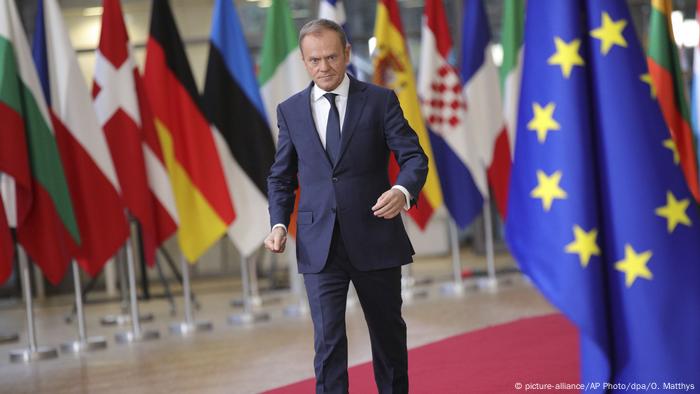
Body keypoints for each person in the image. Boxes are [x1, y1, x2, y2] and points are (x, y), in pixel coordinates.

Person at [265, 18, 428, 394]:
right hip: (319, 245)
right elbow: (281, 177)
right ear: (304, 62)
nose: (324, 67)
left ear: (348, 54)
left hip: (376, 239)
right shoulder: (290, 111)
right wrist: (277, 224)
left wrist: (402, 191)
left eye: (332, 57)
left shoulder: (380, 100)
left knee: (388, 340)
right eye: (315, 60)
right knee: (328, 345)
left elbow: (414, 158)